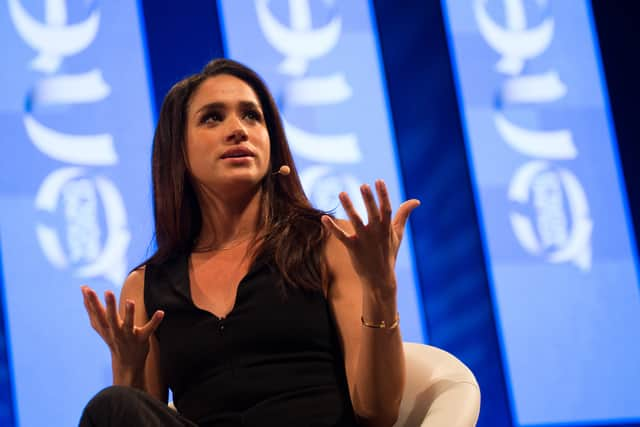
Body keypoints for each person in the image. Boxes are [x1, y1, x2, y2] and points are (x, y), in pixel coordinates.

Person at [79, 58, 419, 427]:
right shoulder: (146, 287)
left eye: (252, 116)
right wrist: (127, 369)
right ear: (178, 151)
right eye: (212, 117)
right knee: (113, 406)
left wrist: (381, 288)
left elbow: (378, 411)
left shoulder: (330, 243)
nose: (238, 130)